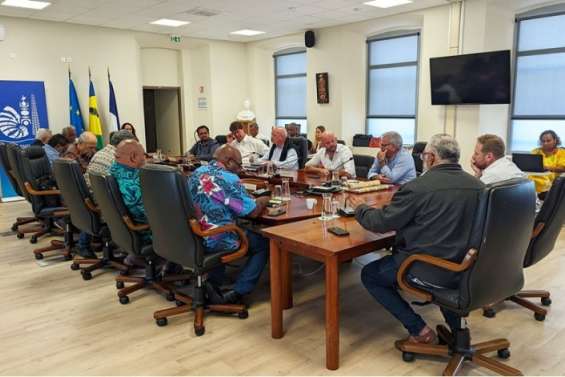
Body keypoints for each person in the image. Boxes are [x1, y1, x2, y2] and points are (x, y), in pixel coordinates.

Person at [348, 134, 484, 345]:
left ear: (430, 157)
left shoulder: (418, 187)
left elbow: (381, 223)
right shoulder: (479, 186)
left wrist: (360, 208)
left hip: (425, 267)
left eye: (423, 156)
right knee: (447, 263)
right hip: (468, 266)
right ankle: (458, 332)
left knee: (370, 275)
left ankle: (418, 329)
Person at [188, 144, 270, 304]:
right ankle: (239, 291)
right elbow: (252, 212)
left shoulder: (196, 172)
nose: (240, 169)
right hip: (215, 238)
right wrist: (264, 199)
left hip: (194, 234)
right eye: (239, 165)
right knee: (263, 243)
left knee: (230, 225)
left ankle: (212, 284)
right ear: (229, 161)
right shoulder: (229, 178)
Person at [109, 139, 152, 248]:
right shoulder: (131, 185)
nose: (145, 158)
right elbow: (147, 215)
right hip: (146, 231)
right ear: (133, 157)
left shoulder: (114, 169)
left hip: (123, 230)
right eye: (143, 155)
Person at [530, 130, 565, 196]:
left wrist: (547, 168)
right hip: (533, 179)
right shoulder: (536, 151)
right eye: (543, 141)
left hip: (550, 182)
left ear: (555, 140)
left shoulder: (562, 152)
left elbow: (563, 168)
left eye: (548, 141)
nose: (545, 143)